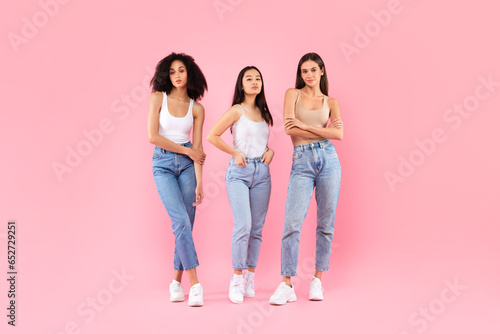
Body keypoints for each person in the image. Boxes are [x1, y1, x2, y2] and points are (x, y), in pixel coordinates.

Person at [269, 53, 343, 305]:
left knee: (326, 223)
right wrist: (323, 131)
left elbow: (339, 133)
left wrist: (308, 127)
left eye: (313, 70)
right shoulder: (293, 94)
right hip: (302, 159)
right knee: (292, 222)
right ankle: (286, 283)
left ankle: (318, 280)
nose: (309, 75)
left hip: (329, 160)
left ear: (322, 71)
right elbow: (289, 128)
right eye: (304, 71)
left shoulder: (331, 101)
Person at [207, 66, 274, 304]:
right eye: (249, 78)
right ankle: (236, 277)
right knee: (243, 225)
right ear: (241, 84)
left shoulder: (264, 112)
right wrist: (234, 152)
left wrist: (271, 151)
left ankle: (250, 277)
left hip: (262, 173)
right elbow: (212, 135)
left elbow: (260, 142)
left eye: (258, 78)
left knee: (257, 229)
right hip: (240, 173)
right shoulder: (237, 110)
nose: (255, 82)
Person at [147, 52, 207, 307]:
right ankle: (195, 285)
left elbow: (199, 149)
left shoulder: (197, 108)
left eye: (181, 70)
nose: (177, 76)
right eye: (171, 72)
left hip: (187, 168)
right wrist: (186, 150)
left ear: (189, 73)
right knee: (180, 220)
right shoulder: (157, 98)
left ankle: (175, 281)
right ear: (165, 75)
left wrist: (200, 182)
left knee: (186, 224)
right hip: (163, 164)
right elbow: (153, 136)